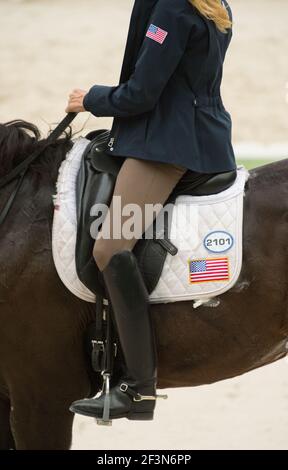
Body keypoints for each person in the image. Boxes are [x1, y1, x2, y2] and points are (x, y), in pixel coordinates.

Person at [66, 0, 236, 422]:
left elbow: (142, 93)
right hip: (204, 134)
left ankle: (139, 388)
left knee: (109, 248)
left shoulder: (173, 9)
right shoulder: (214, 3)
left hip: (166, 146)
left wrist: (90, 98)